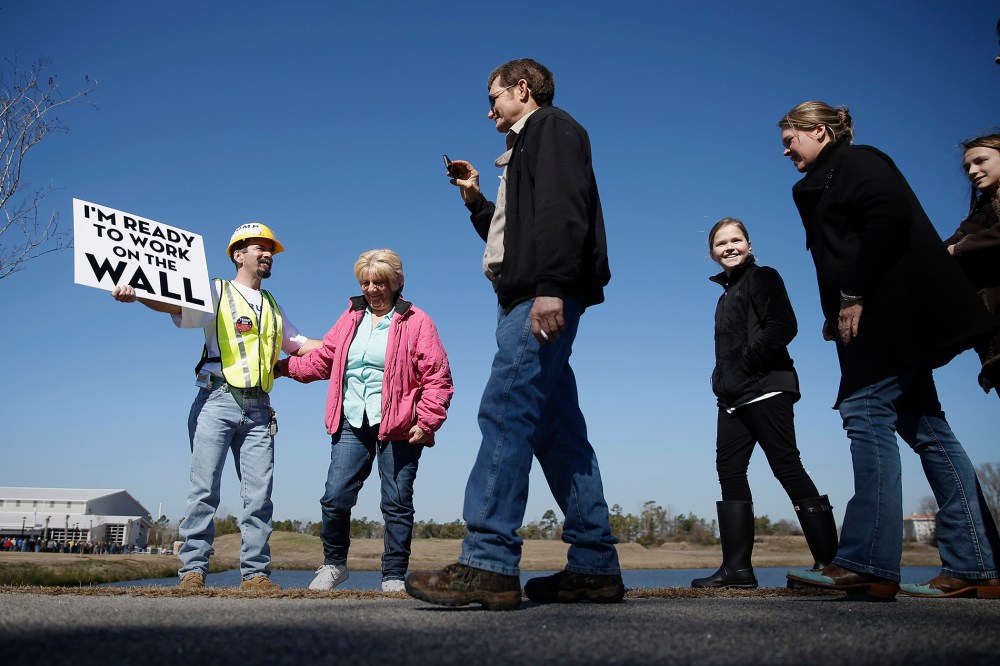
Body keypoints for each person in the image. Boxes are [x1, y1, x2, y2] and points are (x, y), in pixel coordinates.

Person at [405, 58, 623, 611]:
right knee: (559, 433)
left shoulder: (551, 128)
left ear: (522, 89)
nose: (489, 109)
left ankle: (488, 562)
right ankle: (594, 567)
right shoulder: (526, 148)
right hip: (532, 291)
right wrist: (476, 198)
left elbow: (561, 211)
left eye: (494, 96)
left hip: (538, 299)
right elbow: (513, 235)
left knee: (505, 410)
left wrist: (550, 286)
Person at [777, 101, 1000, 599]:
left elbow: (888, 217)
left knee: (866, 409)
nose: (786, 149)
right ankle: (977, 566)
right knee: (928, 428)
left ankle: (867, 560)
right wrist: (832, 312)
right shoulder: (824, 181)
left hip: (892, 312)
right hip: (869, 316)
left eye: (791, 138)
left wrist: (853, 295)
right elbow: (835, 255)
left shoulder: (860, 162)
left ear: (819, 130)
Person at [113, 222, 319, 591]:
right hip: (216, 400)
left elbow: (300, 344)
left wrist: (347, 342)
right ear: (238, 255)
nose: (268, 252)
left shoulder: (272, 305)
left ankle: (255, 576)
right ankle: (193, 571)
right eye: (259, 247)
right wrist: (138, 294)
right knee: (204, 490)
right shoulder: (217, 291)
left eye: (270, 248)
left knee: (259, 496)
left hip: (259, 409)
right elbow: (174, 304)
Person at [277, 249, 453, 593]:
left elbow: (438, 377)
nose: (373, 289)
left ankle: (392, 576)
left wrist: (428, 420)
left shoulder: (417, 321)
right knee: (335, 497)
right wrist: (281, 369)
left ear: (397, 282)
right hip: (351, 419)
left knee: (396, 501)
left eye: (380, 282)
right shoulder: (350, 318)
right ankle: (334, 564)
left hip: (400, 424)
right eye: (366, 282)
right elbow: (325, 359)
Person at [692, 218, 837, 589]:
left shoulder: (763, 276)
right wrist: (720, 380)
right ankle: (738, 569)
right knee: (729, 470)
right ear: (712, 253)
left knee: (786, 465)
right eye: (721, 243)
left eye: (736, 239)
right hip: (733, 398)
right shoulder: (724, 297)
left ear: (749, 244)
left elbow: (783, 326)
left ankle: (829, 565)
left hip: (767, 388)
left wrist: (747, 363)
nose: (729, 247)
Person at [944, 133, 1000, 398]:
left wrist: (961, 249)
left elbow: (957, 246)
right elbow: (943, 249)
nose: (973, 171)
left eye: (981, 161)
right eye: (967, 167)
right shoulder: (981, 213)